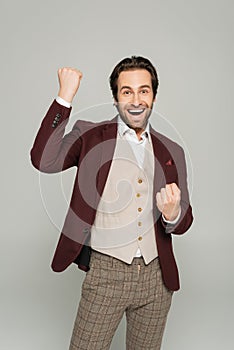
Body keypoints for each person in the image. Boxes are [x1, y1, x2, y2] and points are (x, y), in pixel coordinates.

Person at [30, 56, 193, 350]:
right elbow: (44, 160)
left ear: (154, 96)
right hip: (106, 273)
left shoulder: (173, 150)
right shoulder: (91, 135)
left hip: (157, 279)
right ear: (116, 98)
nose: (136, 99)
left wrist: (172, 214)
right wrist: (64, 98)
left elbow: (184, 219)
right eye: (126, 91)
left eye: (144, 90)